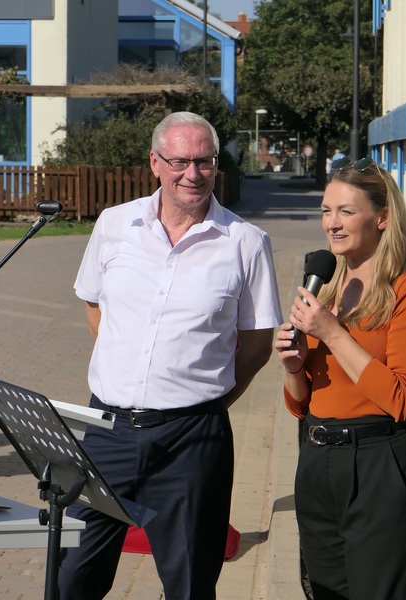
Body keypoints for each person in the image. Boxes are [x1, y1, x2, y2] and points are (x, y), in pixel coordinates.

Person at [59, 111, 282, 600]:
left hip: (191, 442)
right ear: (155, 163)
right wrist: (133, 371)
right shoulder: (115, 224)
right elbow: (95, 305)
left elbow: (259, 342)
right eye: (180, 161)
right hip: (106, 432)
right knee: (71, 576)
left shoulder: (245, 242)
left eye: (204, 161)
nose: (193, 173)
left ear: (216, 165)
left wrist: (207, 398)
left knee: (189, 585)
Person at [274, 156, 406, 599]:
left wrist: (330, 332)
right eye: (327, 211)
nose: (332, 223)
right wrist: (293, 366)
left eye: (346, 211)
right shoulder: (325, 286)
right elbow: (301, 401)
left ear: (382, 217)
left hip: (376, 464)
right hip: (317, 462)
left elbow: (403, 399)